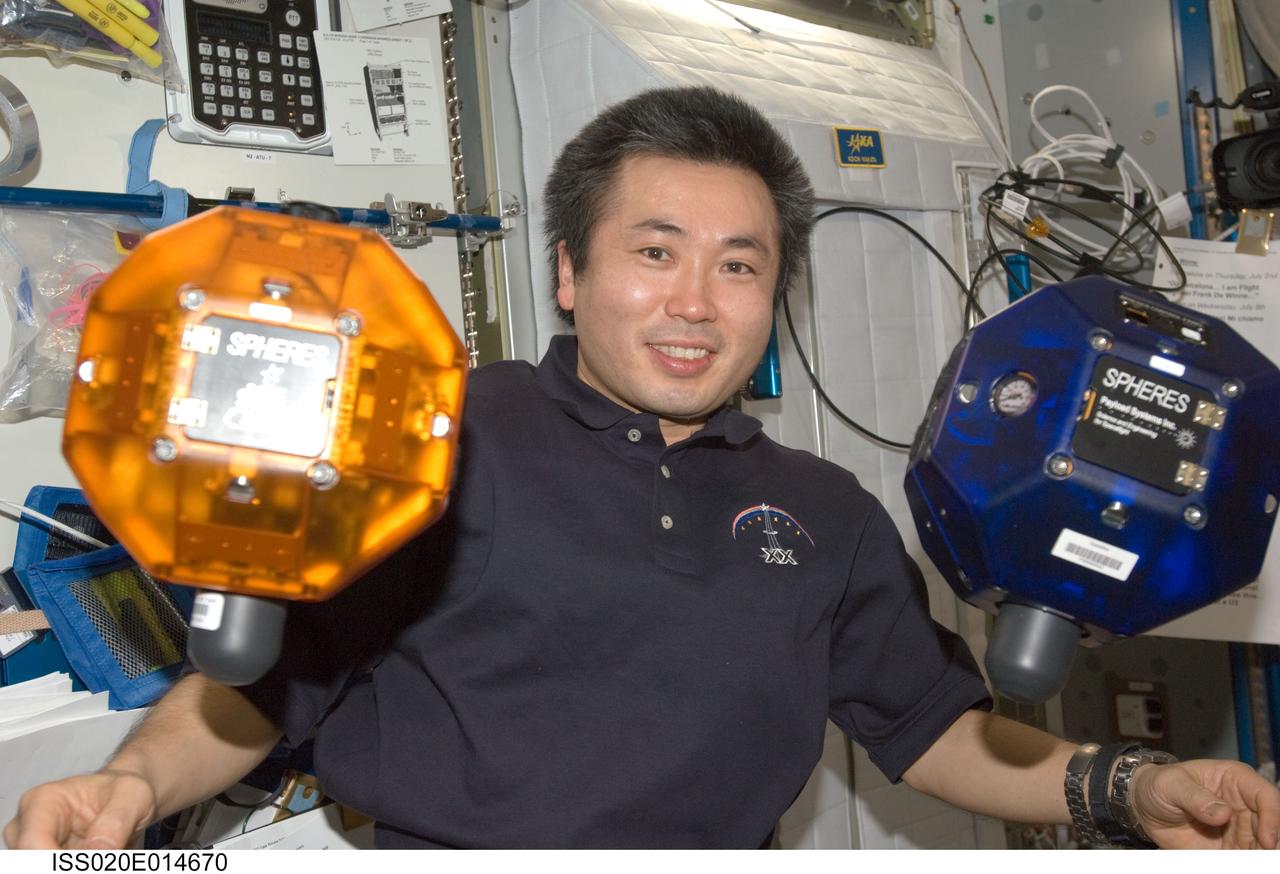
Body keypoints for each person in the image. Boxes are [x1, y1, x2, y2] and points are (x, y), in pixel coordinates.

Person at [5, 86, 1279, 850]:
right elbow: (257, 693)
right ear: (566, 273)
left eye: (739, 264)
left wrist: (1133, 785)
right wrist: (122, 787)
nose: (694, 301)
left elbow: (929, 728)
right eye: (653, 251)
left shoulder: (823, 511)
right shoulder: (431, 440)